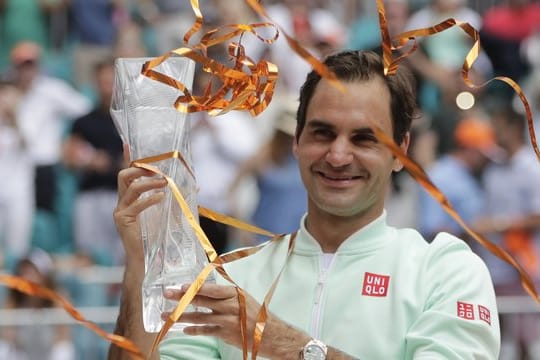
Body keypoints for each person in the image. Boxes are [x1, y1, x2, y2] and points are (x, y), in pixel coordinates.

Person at [110, 50, 500, 359]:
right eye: (322, 133)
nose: (337, 155)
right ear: (296, 141)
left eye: (364, 138)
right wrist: (142, 261)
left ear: (401, 153)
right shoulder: (229, 278)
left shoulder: (445, 271)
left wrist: (286, 344)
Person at [62, 59, 124, 266]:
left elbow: (135, 159)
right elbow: (69, 157)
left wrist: (109, 161)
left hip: (120, 194)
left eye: (110, 81)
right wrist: (91, 161)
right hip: (90, 195)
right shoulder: (84, 122)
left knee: (123, 255)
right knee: (87, 254)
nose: (106, 87)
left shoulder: (130, 121)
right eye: (102, 81)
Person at [418, 117, 500, 240]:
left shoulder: (469, 175)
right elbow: (433, 228)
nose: (485, 161)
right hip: (449, 256)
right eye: (482, 154)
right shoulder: (439, 176)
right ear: (471, 150)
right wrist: (472, 232)